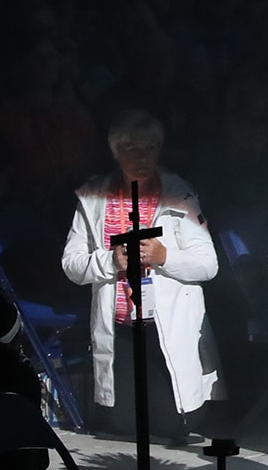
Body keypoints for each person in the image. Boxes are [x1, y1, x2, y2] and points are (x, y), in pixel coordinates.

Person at [61, 109, 223, 442]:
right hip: (120, 327)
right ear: (116, 152)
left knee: (172, 426)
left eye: (149, 148)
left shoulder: (180, 194)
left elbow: (209, 265)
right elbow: (71, 264)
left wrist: (164, 257)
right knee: (124, 427)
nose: (141, 157)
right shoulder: (93, 198)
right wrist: (110, 261)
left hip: (164, 327)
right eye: (131, 149)